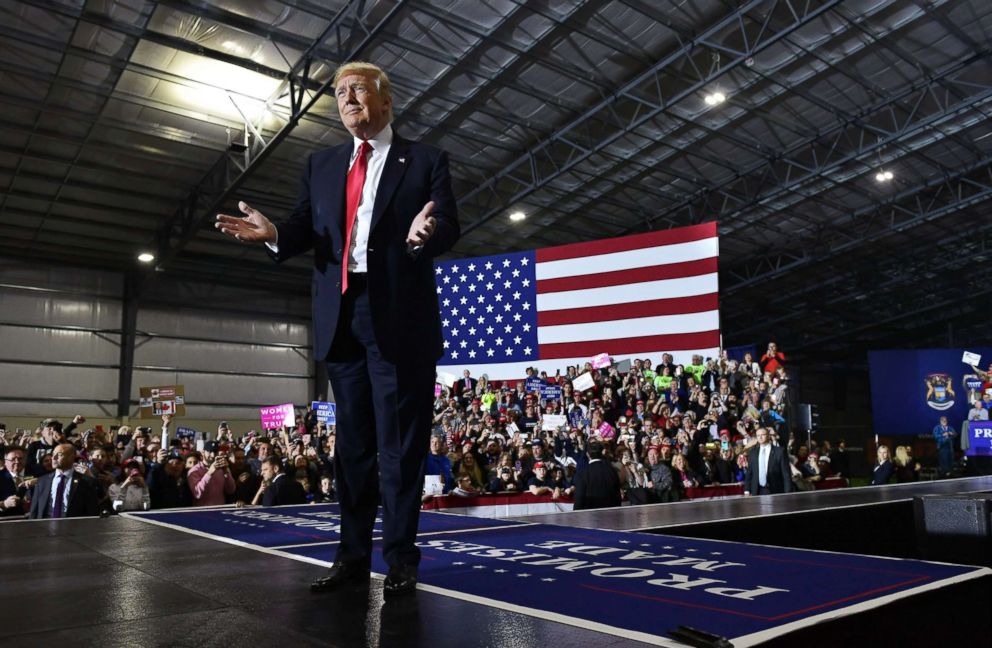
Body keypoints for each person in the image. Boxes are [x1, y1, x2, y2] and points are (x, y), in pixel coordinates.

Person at [216, 61, 459, 597]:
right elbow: (307, 226)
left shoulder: (426, 159)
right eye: (340, 93)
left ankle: (400, 560)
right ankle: (351, 557)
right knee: (351, 449)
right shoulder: (322, 164)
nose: (348, 99)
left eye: (359, 90)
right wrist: (276, 232)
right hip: (341, 315)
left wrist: (426, 233)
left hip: (398, 318)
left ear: (386, 100)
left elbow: (447, 224)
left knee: (399, 448)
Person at [28, 443, 99, 518]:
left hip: (74, 527)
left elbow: (92, 512)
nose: (54, 458)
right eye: (53, 454)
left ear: (71, 457)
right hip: (45, 527)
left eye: (59, 455)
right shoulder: (42, 481)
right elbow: (34, 511)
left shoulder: (86, 482)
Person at [571, 441, 621, 510]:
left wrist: (576, 516)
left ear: (588, 454)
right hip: (611, 515)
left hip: (591, 515)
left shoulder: (582, 473)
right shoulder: (612, 471)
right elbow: (617, 496)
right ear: (601, 453)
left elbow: (579, 498)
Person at [744, 427, 794, 495]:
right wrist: (747, 490)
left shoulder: (779, 451)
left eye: (763, 435)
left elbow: (786, 473)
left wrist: (788, 492)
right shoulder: (753, 453)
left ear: (768, 436)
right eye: (758, 435)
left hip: (775, 491)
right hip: (757, 491)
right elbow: (749, 473)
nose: (760, 437)